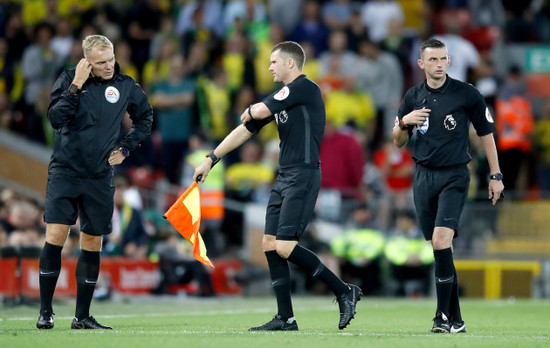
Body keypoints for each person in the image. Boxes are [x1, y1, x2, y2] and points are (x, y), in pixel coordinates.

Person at [194, 41, 361, 331]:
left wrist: (250, 109)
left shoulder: (305, 88)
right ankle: (286, 318)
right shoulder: (281, 98)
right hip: (284, 175)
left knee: (285, 245)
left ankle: (344, 290)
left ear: (290, 64)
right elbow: (245, 128)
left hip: (304, 175)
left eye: (274, 62)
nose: (269, 67)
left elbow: (255, 113)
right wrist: (212, 158)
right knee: (270, 244)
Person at [36, 35, 153, 330]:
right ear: (87, 61)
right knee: (57, 237)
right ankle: (46, 311)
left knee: (92, 242)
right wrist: (76, 84)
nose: (108, 66)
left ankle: (82, 316)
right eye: (101, 62)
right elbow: (55, 118)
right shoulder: (68, 80)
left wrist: (126, 148)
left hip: (99, 176)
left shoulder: (125, 85)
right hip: (65, 172)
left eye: (110, 59)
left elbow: (146, 117)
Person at [392, 38, 504, 333]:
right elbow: (398, 140)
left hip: (455, 175)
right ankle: (456, 320)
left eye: (443, 59)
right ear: (421, 64)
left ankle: (441, 316)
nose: (439, 64)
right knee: (440, 249)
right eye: (433, 60)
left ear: (449, 62)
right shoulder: (413, 96)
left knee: (442, 241)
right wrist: (405, 122)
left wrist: (496, 175)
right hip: (423, 177)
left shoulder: (467, 94)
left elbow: (487, 133)